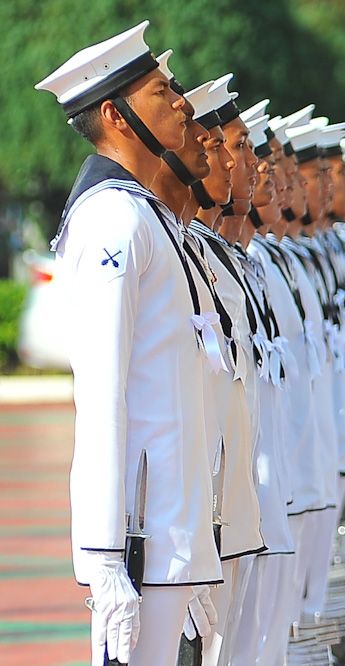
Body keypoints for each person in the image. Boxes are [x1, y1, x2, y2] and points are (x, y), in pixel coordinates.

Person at [35, 22, 222, 665]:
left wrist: (196, 540)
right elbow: (102, 394)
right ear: (115, 115)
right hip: (140, 534)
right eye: (162, 92)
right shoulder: (112, 220)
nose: (182, 104)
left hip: (171, 530)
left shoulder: (144, 215)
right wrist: (104, 556)